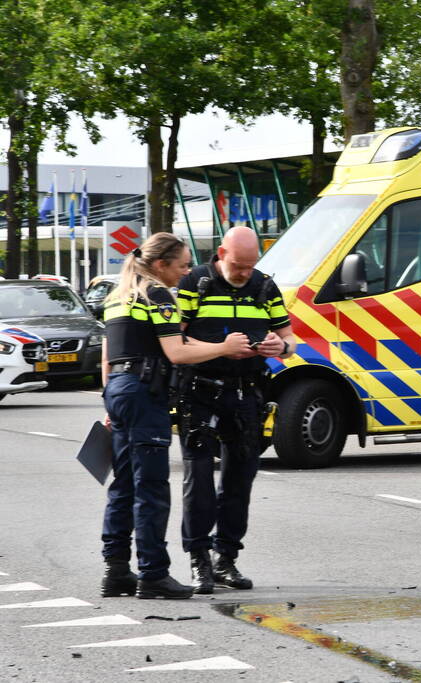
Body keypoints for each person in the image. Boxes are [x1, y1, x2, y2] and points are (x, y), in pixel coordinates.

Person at [101, 233, 251, 600]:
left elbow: (109, 356)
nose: (186, 272)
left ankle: (116, 569)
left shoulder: (119, 296)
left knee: (123, 484)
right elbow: (176, 353)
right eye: (182, 265)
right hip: (144, 393)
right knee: (151, 487)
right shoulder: (157, 295)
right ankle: (153, 574)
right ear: (160, 264)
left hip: (119, 390)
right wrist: (224, 347)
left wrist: (110, 404)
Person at [175, 226, 295, 594]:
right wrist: (221, 348)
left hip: (246, 394)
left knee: (240, 480)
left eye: (251, 265)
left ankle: (225, 558)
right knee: (199, 480)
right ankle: (198, 560)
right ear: (222, 254)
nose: (245, 273)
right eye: (239, 265)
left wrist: (280, 347)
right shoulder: (194, 283)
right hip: (200, 392)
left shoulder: (264, 287)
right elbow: (174, 338)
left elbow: (288, 337)